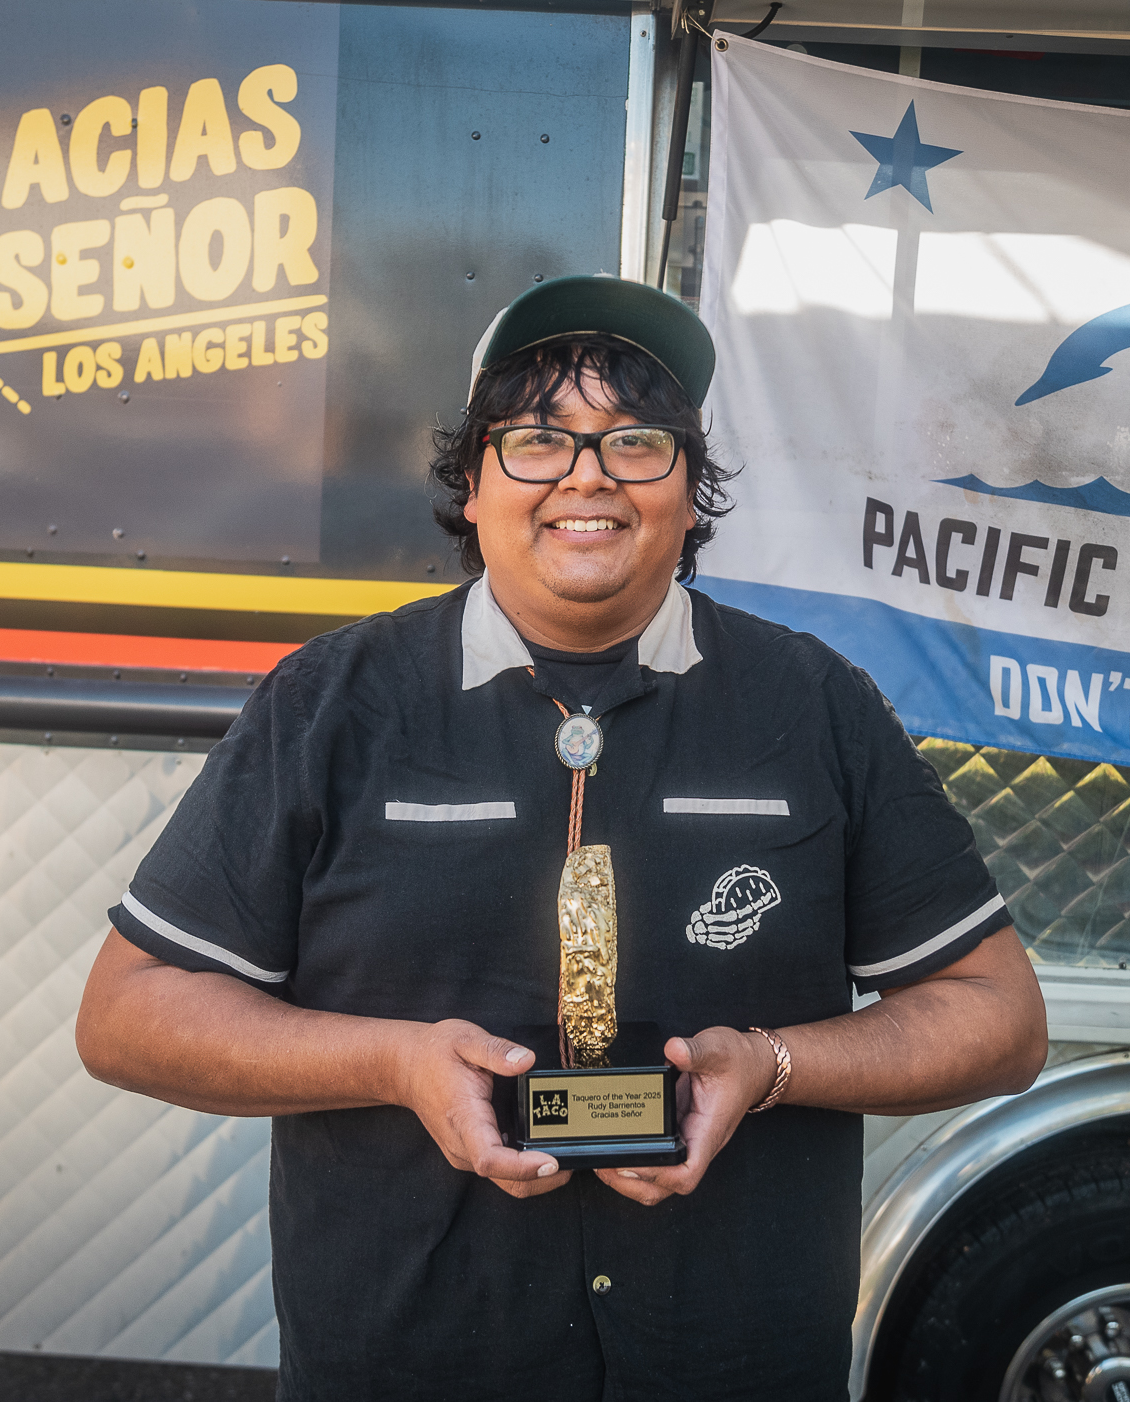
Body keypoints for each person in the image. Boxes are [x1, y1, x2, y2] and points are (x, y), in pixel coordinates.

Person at [76, 275, 1047, 1401]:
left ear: (690, 490)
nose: (587, 474)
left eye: (636, 441)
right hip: (410, 1360)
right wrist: (393, 1062)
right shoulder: (333, 703)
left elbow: (1000, 1021)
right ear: (473, 484)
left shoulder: (814, 703)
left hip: (731, 1358)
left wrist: (773, 1067)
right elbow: (128, 1014)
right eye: (537, 439)